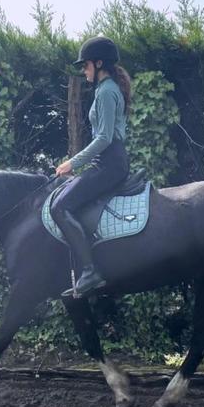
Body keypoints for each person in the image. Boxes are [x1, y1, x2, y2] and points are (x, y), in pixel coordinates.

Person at [51, 36, 131, 298]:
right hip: (105, 162)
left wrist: (72, 162)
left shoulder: (107, 90)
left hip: (110, 164)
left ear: (99, 64)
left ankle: (89, 271)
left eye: (85, 65)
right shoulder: (104, 90)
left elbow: (105, 138)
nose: (83, 70)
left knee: (59, 206)